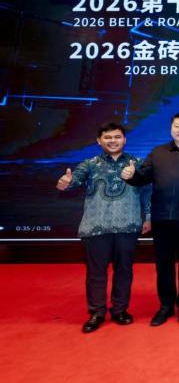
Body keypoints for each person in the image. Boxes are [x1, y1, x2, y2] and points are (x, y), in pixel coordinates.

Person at [56, 123, 151, 333]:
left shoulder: (137, 163)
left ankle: (119, 309)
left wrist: (148, 217)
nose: (113, 141)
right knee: (96, 273)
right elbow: (75, 180)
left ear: (125, 139)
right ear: (99, 141)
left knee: (124, 271)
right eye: (108, 137)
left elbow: (147, 191)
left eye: (117, 137)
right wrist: (67, 182)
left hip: (128, 225)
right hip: (95, 226)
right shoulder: (89, 164)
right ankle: (97, 312)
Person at [121, 112, 179, 326]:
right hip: (161, 218)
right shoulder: (158, 152)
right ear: (171, 129)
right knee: (163, 264)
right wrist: (132, 176)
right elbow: (142, 178)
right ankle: (166, 305)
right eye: (176, 126)